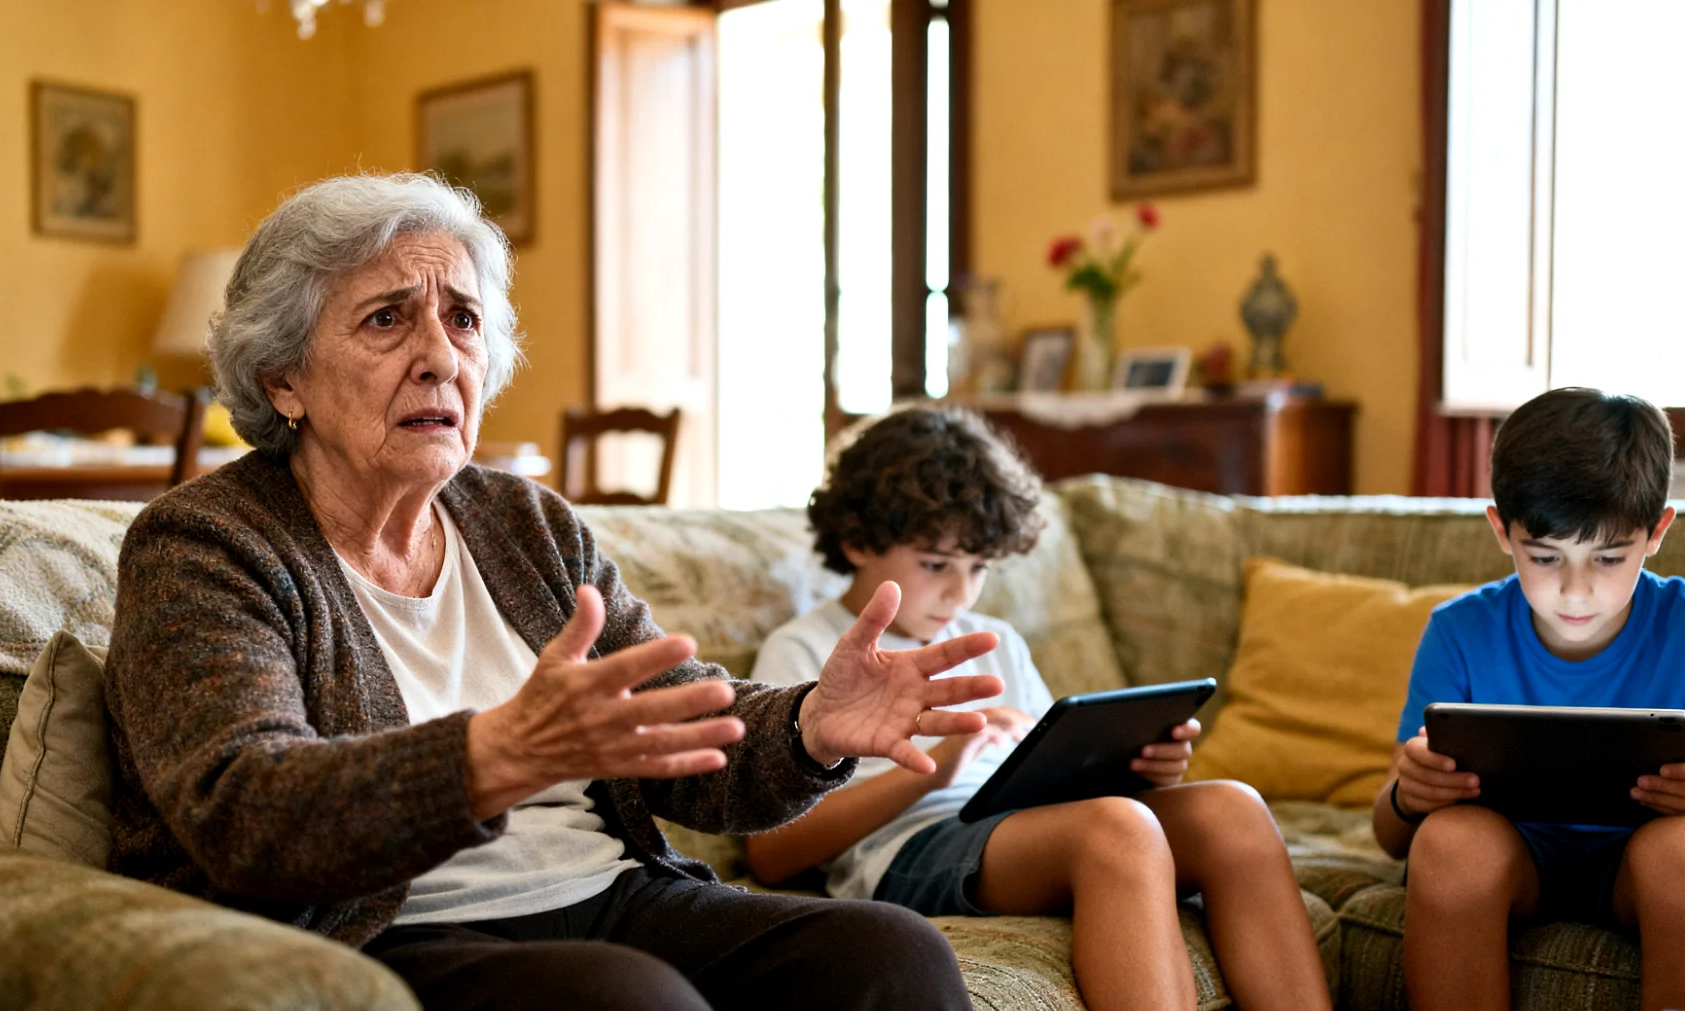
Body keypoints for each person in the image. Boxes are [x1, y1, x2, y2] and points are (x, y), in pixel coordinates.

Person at [103, 173, 1007, 1011]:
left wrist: (811, 723)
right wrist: (489, 756)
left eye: (462, 320)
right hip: (383, 932)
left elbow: (671, 723)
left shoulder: (523, 522)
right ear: (282, 378)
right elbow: (244, 813)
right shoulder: (207, 544)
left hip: (608, 893)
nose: (438, 357)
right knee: (629, 1003)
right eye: (386, 320)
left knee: (893, 956)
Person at [746, 407, 1332, 1011]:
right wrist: (937, 769)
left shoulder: (992, 639)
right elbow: (770, 851)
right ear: (857, 539)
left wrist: (1137, 768)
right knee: (1118, 829)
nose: (960, 592)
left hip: (1019, 828)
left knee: (1232, 808)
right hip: (906, 848)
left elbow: (1057, 783)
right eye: (936, 564)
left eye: (979, 568)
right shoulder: (807, 648)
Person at [1374, 387, 1685, 1011]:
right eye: (1545, 557)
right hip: (1512, 857)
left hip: (1649, 863)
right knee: (1448, 844)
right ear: (1502, 530)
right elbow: (1391, 837)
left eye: (1608, 558)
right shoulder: (1459, 631)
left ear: (1657, 531)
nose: (1575, 593)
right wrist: (1407, 794)